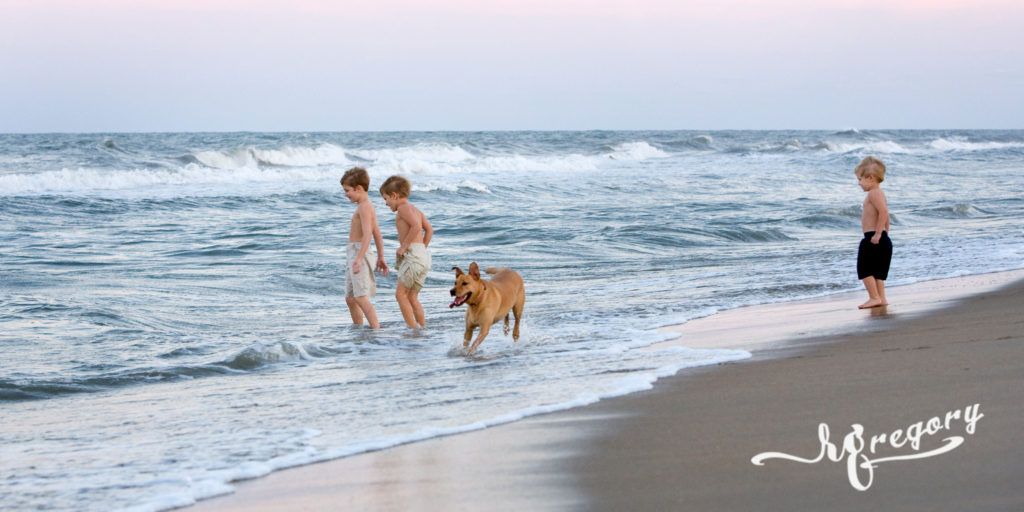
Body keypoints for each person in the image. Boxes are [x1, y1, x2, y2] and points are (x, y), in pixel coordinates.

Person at [379, 175, 433, 329]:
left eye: (386, 198)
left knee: (400, 295)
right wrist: (421, 248)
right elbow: (429, 230)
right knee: (412, 297)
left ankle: (413, 330)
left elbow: (416, 226)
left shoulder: (403, 208)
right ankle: (422, 328)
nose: (385, 203)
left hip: (413, 255)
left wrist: (404, 247)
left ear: (394, 196)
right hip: (422, 256)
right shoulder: (416, 209)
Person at [341, 167, 388, 328]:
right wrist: (381, 257)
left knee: (360, 297)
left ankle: (376, 330)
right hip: (354, 253)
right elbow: (378, 234)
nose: (346, 194)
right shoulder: (365, 206)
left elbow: (368, 234)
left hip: (358, 252)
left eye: (347, 190)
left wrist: (359, 258)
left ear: (359, 188)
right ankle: (358, 329)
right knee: (351, 298)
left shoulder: (364, 207)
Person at [854, 156, 892, 309]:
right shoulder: (880, 193)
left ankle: (874, 297)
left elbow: (883, 212)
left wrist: (877, 234)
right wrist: (885, 232)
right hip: (881, 238)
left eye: (860, 179)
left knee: (864, 269)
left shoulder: (873, 194)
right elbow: (886, 214)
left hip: (873, 238)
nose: (858, 183)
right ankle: (881, 298)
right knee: (877, 272)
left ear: (870, 178)